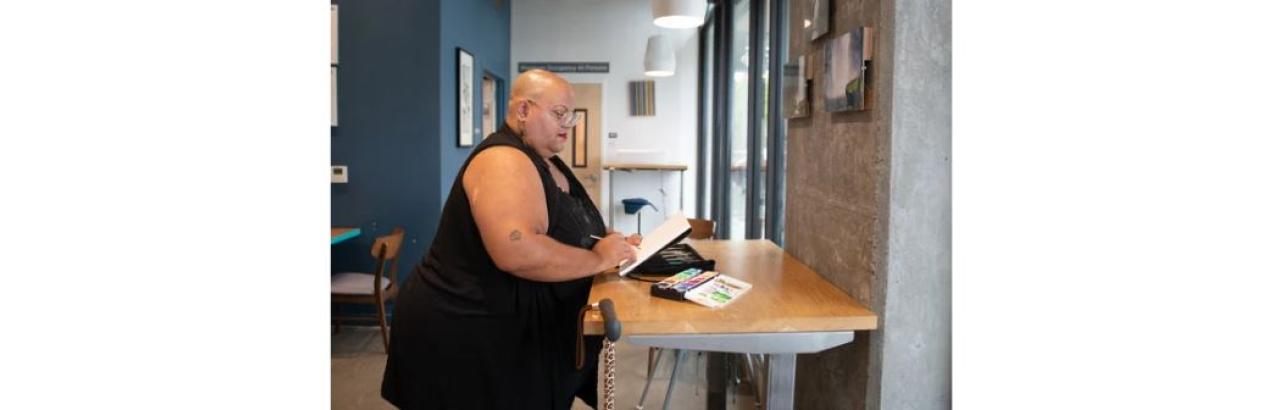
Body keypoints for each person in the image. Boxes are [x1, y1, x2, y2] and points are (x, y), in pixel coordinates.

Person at [381, 69, 640, 409]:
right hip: (466, 332)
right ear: (523, 111)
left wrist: (607, 242)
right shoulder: (503, 160)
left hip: (513, 333)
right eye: (558, 113)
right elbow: (517, 251)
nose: (568, 124)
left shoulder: (546, 162)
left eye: (570, 115)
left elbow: (565, 228)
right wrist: (598, 259)